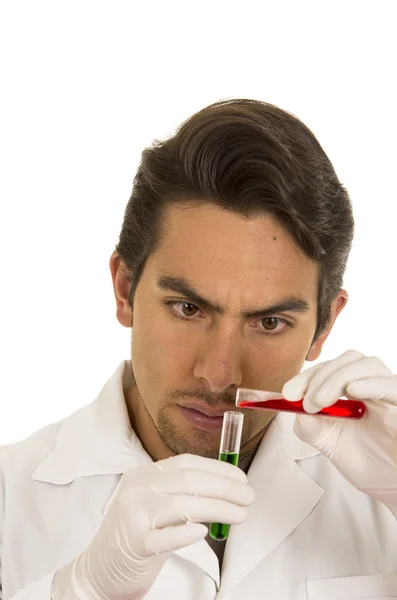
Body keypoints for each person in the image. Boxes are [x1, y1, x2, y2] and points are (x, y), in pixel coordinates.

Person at [1, 99, 397, 600]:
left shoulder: (382, 489)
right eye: (188, 309)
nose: (218, 373)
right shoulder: (10, 499)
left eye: (270, 322)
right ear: (125, 290)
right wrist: (79, 591)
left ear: (324, 326)